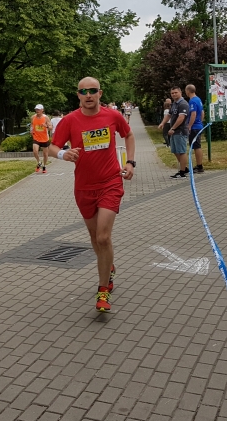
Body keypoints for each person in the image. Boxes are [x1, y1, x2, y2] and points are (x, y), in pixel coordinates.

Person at [49, 77, 136, 313]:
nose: (88, 95)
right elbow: (52, 147)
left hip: (110, 183)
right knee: (94, 236)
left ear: (100, 93)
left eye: (93, 91)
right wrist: (63, 154)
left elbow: (128, 135)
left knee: (103, 237)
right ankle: (109, 267)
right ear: (78, 95)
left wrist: (130, 162)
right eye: (83, 91)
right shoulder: (69, 120)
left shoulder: (113, 116)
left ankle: (103, 289)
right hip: (84, 187)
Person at [167, 86, 189, 178]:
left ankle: (182, 172)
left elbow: (181, 118)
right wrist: (162, 123)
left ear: (180, 93)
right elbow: (169, 115)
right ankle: (184, 168)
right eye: (172, 93)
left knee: (181, 151)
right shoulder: (174, 104)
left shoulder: (183, 104)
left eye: (176, 92)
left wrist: (173, 128)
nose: (174, 94)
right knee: (175, 150)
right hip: (174, 132)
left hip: (180, 131)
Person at [185, 84, 205, 173]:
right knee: (197, 145)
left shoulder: (192, 101)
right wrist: (200, 121)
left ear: (188, 91)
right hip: (198, 125)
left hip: (194, 127)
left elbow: (193, 114)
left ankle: (199, 166)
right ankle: (198, 165)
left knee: (196, 146)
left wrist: (189, 125)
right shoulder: (198, 99)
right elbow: (202, 112)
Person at [30, 104, 53, 174]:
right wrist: (31, 130)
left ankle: (44, 166)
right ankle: (39, 162)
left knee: (45, 154)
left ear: (42, 110)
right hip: (36, 137)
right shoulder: (33, 117)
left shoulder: (46, 118)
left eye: (38, 109)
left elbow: (51, 127)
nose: (37, 111)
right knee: (35, 151)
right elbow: (31, 124)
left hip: (44, 138)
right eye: (36, 109)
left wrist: (46, 126)